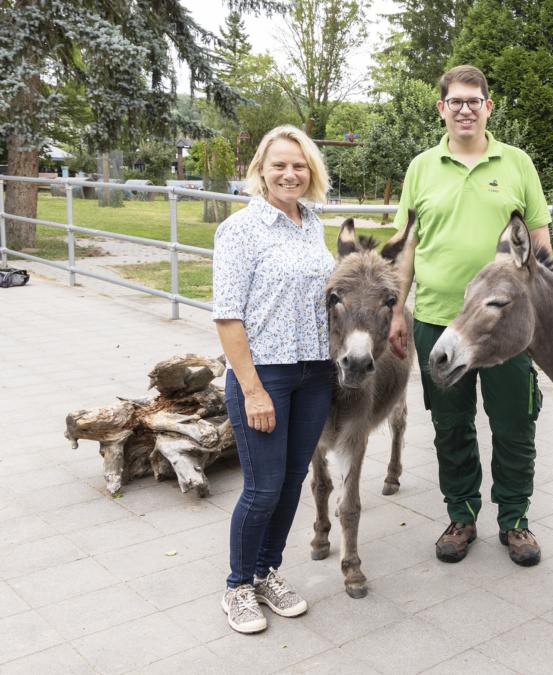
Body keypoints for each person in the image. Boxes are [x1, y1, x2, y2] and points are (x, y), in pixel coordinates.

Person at [387, 65, 552, 567]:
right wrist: (397, 310)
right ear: (441, 108)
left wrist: (542, 321)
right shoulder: (421, 168)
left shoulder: (518, 164)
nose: (464, 109)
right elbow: (407, 247)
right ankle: (460, 514)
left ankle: (515, 520)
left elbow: (540, 245)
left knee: (514, 422)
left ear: (488, 106)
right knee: (452, 425)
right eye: (455, 101)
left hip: (506, 330)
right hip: (438, 321)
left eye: (473, 100)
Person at [212, 125, 337, 634]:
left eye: (299, 165)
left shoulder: (312, 223)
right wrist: (253, 388)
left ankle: (267, 573)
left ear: (312, 173)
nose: (290, 174)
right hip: (265, 374)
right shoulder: (241, 229)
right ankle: (238, 587)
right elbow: (227, 317)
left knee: (291, 483)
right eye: (279, 164)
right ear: (260, 170)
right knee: (262, 488)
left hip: (316, 373)